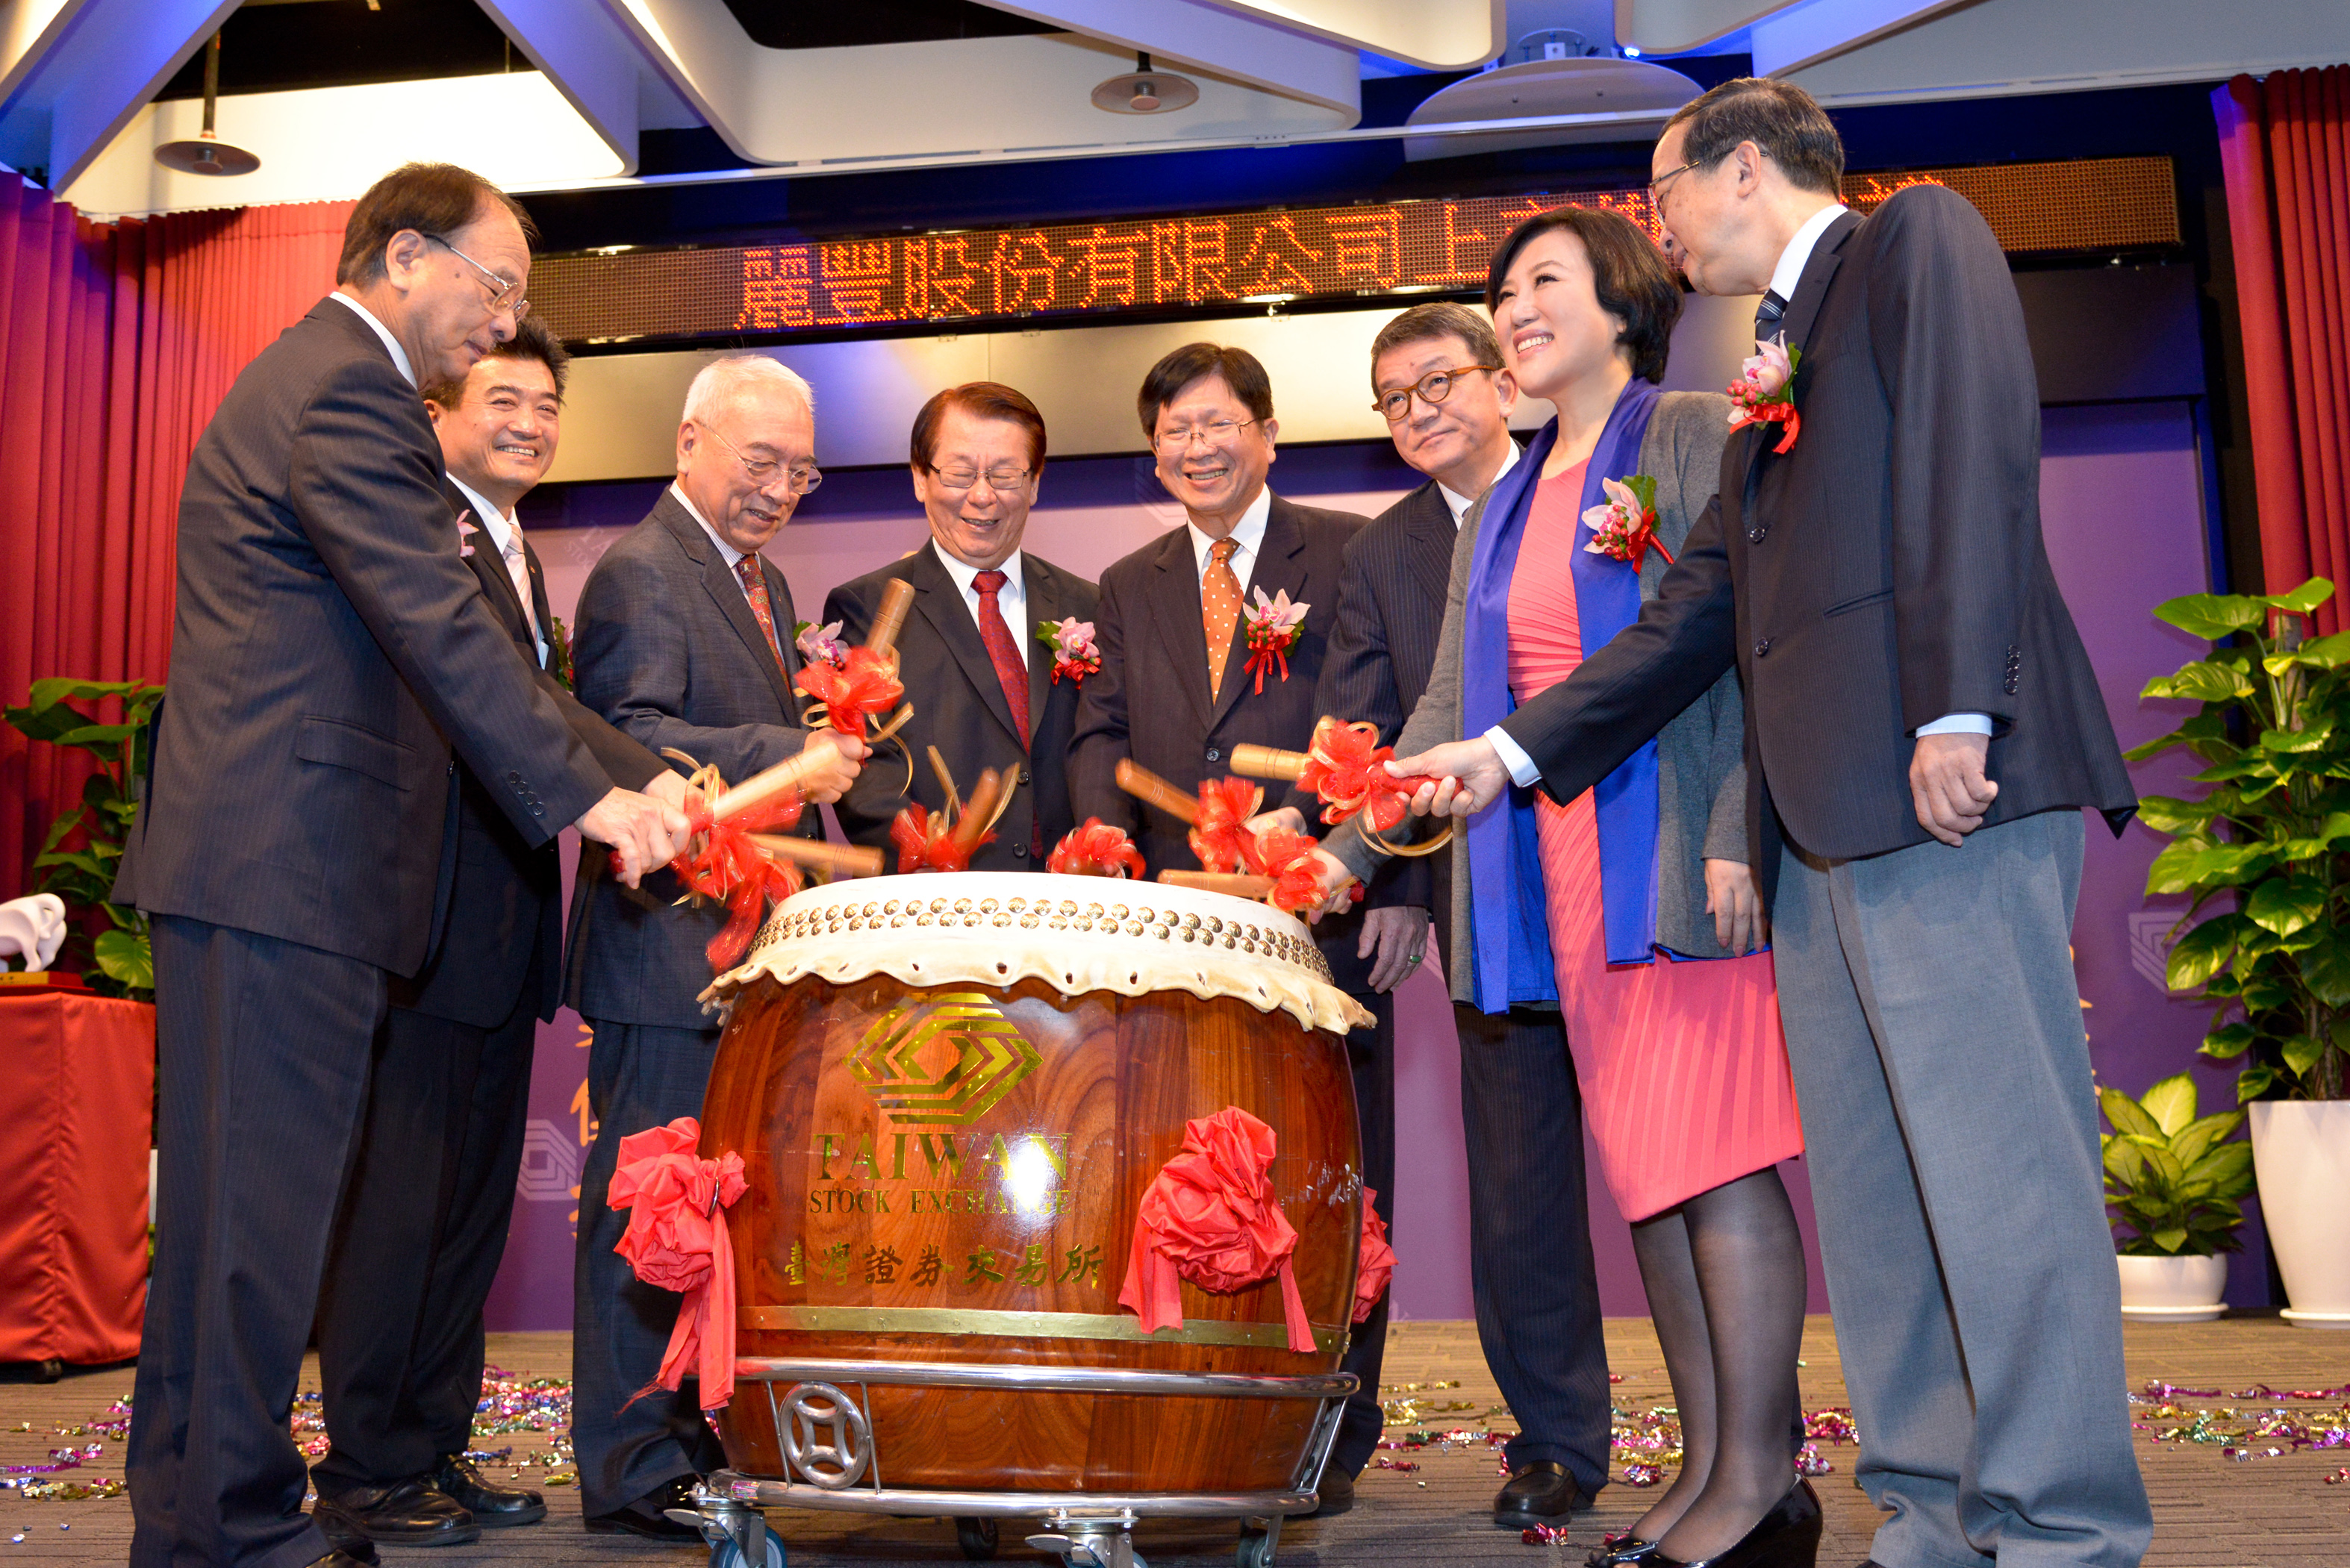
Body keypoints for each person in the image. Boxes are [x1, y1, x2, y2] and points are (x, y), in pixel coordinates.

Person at [1394, 79, 2151, 1568]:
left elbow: (1973, 454)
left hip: (1940, 793)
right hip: (1823, 827)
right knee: (1879, 1204)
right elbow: (1687, 621)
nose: (1658, 224)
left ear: (1742, 167)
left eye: (1662, 190)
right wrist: (1501, 752)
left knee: (1998, 1180)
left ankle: (2059, 1527)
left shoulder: (1910, 242)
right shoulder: (1765, 377)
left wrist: (1957, 708)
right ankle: (1928, 1517)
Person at [112, 161, 690, 1568]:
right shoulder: (346, 390)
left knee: (235, 1222)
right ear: (408, 255)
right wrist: (593, 802)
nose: (502, 322)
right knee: (252, 1225)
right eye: (496, 288)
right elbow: (439, 625)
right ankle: (237, 1527)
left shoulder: (325, 383)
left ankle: (204, 1520)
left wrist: (618, 776)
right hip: (282, 869)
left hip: (277, 875)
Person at [308, 317, 672, 1549]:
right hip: (424, 928)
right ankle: (367, 1472)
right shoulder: (422, 533)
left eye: (546, 406)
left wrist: (662, 780)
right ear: (437, 415)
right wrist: (648, 783)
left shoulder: (510, 546)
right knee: (399, 1213)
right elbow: (503, 706)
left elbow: (543, 706)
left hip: (499, 935)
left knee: (464, 1216)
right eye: (503, 399)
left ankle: (430, 1447)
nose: (529, 423)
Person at [1067, 343, 1391, 1517]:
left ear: (1267, 433)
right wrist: (1111, 853)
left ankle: (1329, 1434)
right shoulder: (1129, 581)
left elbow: (1378, 715)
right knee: (1190, 1171)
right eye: (1174, 431)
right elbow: (1101, 732)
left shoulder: (1350, 552)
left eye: (1216, 425)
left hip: (1316, 911)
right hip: (1175, 933)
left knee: (1330, 1172)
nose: (1196, 448)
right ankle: (1200, 1414)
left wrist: (1326, 835)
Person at [564, 354, 864, 1540]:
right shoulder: (642, 569)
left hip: (733, 952)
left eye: (802, 471)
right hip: (663, 946)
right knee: (647, 1208)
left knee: (706, 1209)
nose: (780, 489)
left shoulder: (763, 580)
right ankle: (633, 1466)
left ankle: (690, 1445)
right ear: (690, 440)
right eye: (762, 461)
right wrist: (791, 749)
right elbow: (628, 736)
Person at [823, 381, 1099, 867]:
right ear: (920, 478)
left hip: (1072, 895)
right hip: (936, 896)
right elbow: (863, 769)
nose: (982, 495)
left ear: (1035, 483)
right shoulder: (867, 609)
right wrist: (935, 859)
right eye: (959, 473)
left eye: (1005, 474)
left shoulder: (1089, 605)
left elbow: (1107, 747)